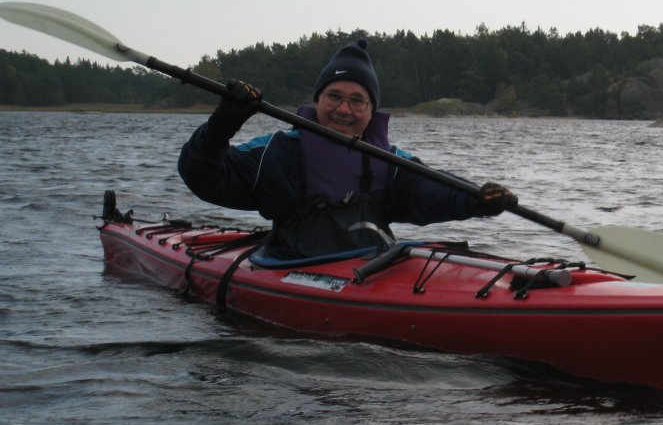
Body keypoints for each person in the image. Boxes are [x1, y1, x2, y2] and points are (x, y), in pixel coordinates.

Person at [178, 38, 517, 260]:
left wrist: (477, 199)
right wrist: (222, 123)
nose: (344, 109)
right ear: (317, 100)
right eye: (334, 97)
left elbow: (432, 189)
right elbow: (202, 174)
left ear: (371, 111)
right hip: (288, 268)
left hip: (371, 270)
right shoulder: (276, 152)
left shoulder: (390, 162)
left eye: (357, 101)